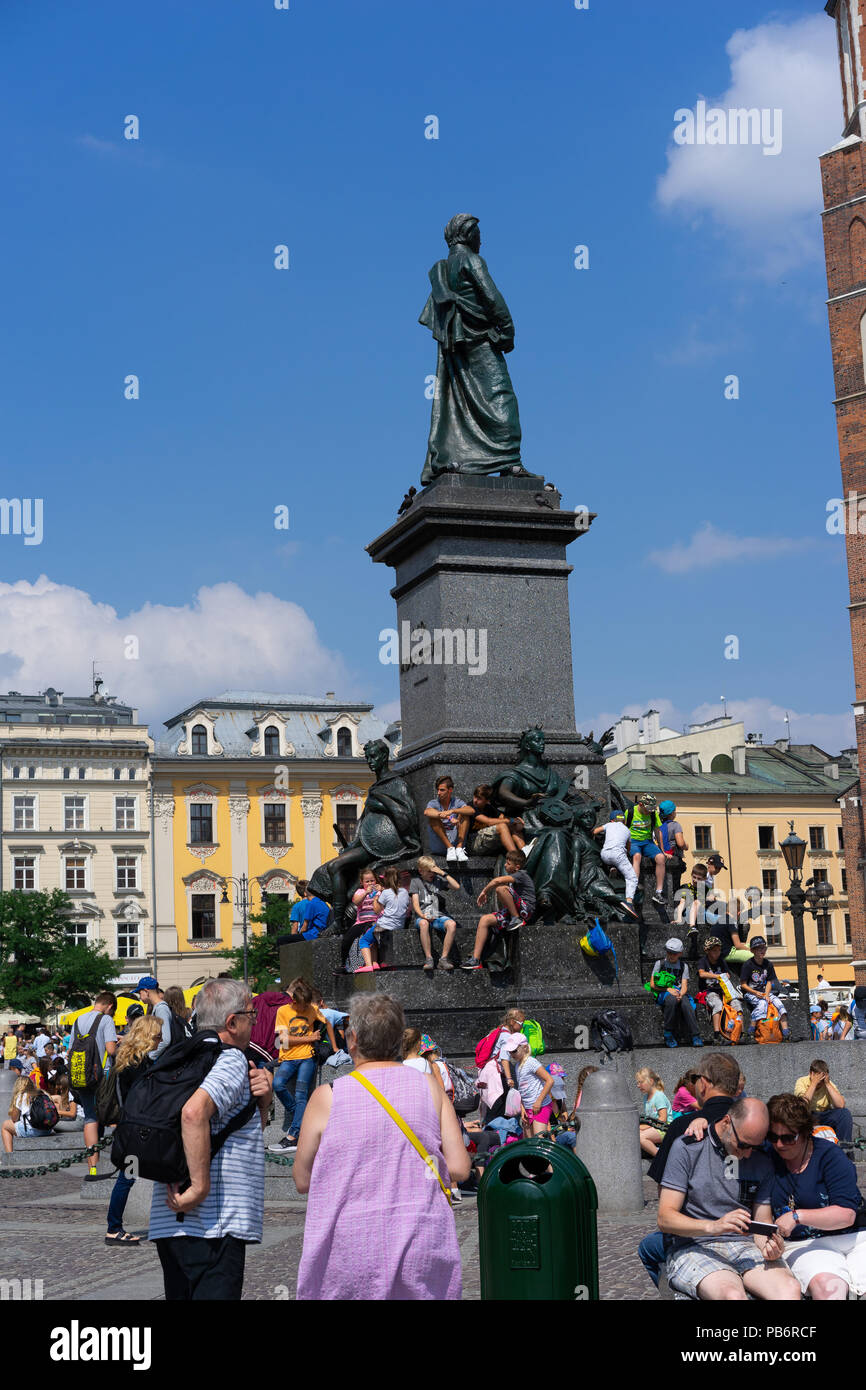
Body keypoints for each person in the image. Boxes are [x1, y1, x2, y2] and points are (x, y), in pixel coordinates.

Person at [294, 992, 470, 1299]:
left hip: (351, 1249)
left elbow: (302, 1179)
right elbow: (458, 1167)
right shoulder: (430, 1087)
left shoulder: (327, 1096)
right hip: (421, 1239)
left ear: (352, 1039)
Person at [148, 978, 273, 1301]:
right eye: (251, 1015)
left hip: (169, 1221)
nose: (255, 1023)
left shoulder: (178, 1055)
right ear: (232, 1022)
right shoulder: (229, 1058)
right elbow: (193, 1113)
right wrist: (199, 1188)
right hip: (215, 1222)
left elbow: (235, 1133)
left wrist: (263, 1102)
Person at [658, 1099, 801, 1301]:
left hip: (744, 1244)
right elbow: (665, 1218)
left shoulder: (761, 1159)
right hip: (696, 1245)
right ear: (726, 1122)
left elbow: (762, 1221)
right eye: (742, 1144)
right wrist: (714, 1226)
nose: (747, 1153)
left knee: (790, 1290)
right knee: (732, 1295)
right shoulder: (687, 1148)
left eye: (755, 1146)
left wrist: (769, 1245)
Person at [762, 1091, 866, 1298]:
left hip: (854, 1236)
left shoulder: (829, 1155)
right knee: (830, 1288)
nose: (779, 1144)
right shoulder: (765, 1154)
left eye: (788, 1137)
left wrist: (797, 1216)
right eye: (773, 1137)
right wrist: (698, 1120)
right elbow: (734, 1131)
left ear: (806, 1132)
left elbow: (846, 1215)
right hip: (804, 1243)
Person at [105, 1015, 164, 1247]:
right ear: (148, 1036)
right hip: (137, 1131)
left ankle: (116, 1226)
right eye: (158, 1036)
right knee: (126, 1178)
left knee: (131, 1177)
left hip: (135, 1129)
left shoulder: (130, 1060)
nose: (160, 1041)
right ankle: (113, 1228)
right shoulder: (137, 1065)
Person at [269, 978, 337, 1154]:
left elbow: (328, 1021)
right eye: (302, 1006)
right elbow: (283, 1040)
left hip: (307, 1057)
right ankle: (300, 1114)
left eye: (308, 1006)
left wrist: (335, 1047)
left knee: (301, 1093)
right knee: (277, 1084)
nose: (305, 1009)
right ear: (294, 1002)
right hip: (289, 1058)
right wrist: (310, 1038)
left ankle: (293, 1135)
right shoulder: (283, 1011)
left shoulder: (312, 1009)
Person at [461, 849, 536, 971]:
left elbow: (497, 881)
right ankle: (475, 959)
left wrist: (484, 891)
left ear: (517, 867)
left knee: (501, 889)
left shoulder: (521, 874)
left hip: (526, 910)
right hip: (514, 911)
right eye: (505, 862)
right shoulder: (514, 877)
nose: (505, 865)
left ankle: (516, 919)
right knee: (485, 919)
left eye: (508, 863)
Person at [70, 992, 118, 1179]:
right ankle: (121, 1159)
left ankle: (92, 1167)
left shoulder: (78, 1020)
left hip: (82, 1075)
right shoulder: (106, 1020)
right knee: (112, 1113)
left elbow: (71, 1049)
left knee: (90, 1118)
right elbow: (111, 1049)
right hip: (102, 1075)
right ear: (110, 1006)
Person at [410, 856, 460, 973]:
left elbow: (456, 886)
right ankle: (429, 959)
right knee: (423, 924)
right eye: (428, 871)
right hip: (423, 916)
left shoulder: (438, 880)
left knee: (452, 924)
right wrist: (423, 916)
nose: (431, 873)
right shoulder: (415, 882)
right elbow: (415, 904)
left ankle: (443, 959)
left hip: (438, 916)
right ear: (420, 871)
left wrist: (443, 873)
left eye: (433, 870)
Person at [650, 937, 702, 1049]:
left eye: (674, 953)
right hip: (663, 992)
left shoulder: (684, 966)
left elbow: (684, 986)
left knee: (686, 1004)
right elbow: (652, 985)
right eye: (669, 952)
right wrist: (667, 990)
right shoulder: (660, 964)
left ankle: (695, 1035)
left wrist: (680, 995)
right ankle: (668, 1032)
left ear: (680, 954)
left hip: (678, 992)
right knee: (671, 1000)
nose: (671, 956)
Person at [500, 1032, 555, 1135]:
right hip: (528, 1108)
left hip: (541, 1106)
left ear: (524, 1047)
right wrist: (522, 1108)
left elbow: (550, 1080)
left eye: (514, 1051)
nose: (511, 1054)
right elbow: (522, 1089)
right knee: (528, 1143)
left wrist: (538, 1102)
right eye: (509, 1052)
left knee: (538, 1141)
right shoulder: (517, 1065)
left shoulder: (531, 1062)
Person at [739, 937, 790, 1040]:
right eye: (758, 948)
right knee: (762, 1004)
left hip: (765, 992)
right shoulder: (748, 965)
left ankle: (786, 1033)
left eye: (763, 948)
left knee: (780, 1004)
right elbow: (743, 985)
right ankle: (751, 1031)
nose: (762, 951)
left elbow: (770, 982)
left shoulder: (768, 964)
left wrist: (766, 994)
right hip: (751, 993)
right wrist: (755, 993)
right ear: (752, 951)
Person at [696, 936, 742, 1046]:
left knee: (737, 1003)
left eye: (719, 950)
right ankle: (717, 1035)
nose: (717, 953)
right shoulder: (703, 961)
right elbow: (702, 973)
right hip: (709, 991)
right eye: (714, 950)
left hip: (722, 990)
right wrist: (717, 976)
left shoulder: (721, 961)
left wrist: (726, 975)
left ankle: (740, 1032)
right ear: (708, 951)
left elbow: (727, 974)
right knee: (718, 1004)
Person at [592, 811, 638, 918]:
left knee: (612, 861)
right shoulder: (627, 830)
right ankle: (629, 902)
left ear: (612, 820)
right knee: (632, 878)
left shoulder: (609, 825)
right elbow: (628, 847)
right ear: (624, 820)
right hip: (618, 855)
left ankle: (612, 868)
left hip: (604, 854)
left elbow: (595, 831)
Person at [794, 1060, 853, 1143]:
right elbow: (803, 1104)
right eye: (817, 1078)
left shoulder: (828, 1083)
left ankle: (844, 1148)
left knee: (844, 1113)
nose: (819, 1082)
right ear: (811, 1073)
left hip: (824, 1115)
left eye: (821, 1080)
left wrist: (828, 1084)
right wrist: (814, 1083)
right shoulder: (801, 1081)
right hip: (807, 1115)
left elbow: (841, 1105)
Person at [625, 792, 667, 905]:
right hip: (633, 841)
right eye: (647, 809)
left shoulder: (653, 813)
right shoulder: (630, 812)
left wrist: (662, 849)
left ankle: (658, 892)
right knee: (637, 856)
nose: (649, 811)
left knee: (661, 858)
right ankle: (633, 888)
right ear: (641, 804)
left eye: (651, 809)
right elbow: (623, 830)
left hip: (648, 842)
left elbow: (658, 831)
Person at [1, 1075, 61, 1151]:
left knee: (5, 1125)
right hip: (47, 1129)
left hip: (33, 1131)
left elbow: (14, 1119)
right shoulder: (43, 1093)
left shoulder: (22, 1096)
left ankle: (9, 1156)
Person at [342, 867, 383, 972]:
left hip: (375, 920)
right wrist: (366, 893)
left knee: (372, 937)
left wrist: (381, 890)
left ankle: (375, 962)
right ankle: (343, 963)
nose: (370, 883)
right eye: (367, 881)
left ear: (376, 880)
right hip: (361, 921)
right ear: (362, 883)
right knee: (347, 938)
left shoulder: (380, 891)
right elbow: (356, 902)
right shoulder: (360, 891)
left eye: (372, 880)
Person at [423, 775, 473, 862]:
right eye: (438, 790)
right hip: (440, 844)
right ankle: (450, 848)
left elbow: (471, 810)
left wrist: (453, 811)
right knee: (433, 818)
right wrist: (448, 817)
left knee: (465, 813)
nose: (438, 793)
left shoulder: (457, 802)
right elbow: (427, 812)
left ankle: (459, 848)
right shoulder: (433, 803)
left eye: (442, 790)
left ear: (450, 790)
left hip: (456, 840)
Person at [468, 784, 525, 855]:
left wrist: (516, 821)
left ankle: (524, 850)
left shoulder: (489, 808)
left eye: (479, 798)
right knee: (502, 826)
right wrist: (511, 820)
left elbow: (502, 817)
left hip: (484, 842)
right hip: (472, 843)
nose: (475, 800)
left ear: (487, 801)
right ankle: (514, 856)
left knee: (512, 826)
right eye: (475, 796)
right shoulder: (470, 807)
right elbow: (488, 821)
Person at [135, 976, 175, 1059]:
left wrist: (151, 1056)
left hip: (161, 1059)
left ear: (146, 991)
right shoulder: (158, 1008)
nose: (139, 996)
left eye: (140, 992)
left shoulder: (161, 1009)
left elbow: (166, 1039)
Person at [372, 866, 411, 951]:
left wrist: (375, 898)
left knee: (363, 939)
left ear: (386, 879)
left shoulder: (386, 892)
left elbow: (377, 910)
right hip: (400, 925)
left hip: (385, 926)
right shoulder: (404, 891)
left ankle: (372, 963)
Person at [636, 1067, 672, 1157]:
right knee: (635, 1134)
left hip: (664, 1128)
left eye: (641, 1082)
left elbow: (663, 1119)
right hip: (656, 1127)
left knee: (640, 1137)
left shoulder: (659, 1096)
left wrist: (645, 1127)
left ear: (651, 1081)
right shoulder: (646, 1097)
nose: (638, 1085)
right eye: (637, 1082)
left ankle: (660, 1157)